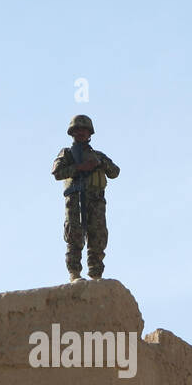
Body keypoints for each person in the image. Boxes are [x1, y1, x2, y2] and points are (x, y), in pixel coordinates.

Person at [51, 114, 119, 283]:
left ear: (90, 133)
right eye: (77, 130)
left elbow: (115, 172)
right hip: (75, 199)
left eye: (84, 130)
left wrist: (99, 163)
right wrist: (80, 167)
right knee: (75, 235)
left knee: (98, 236)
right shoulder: (67, 154)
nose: (81, 133)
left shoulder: (98, 155)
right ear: (72, 133)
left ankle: (95, 274)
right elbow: (57, 172)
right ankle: (74, 274)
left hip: (96, 201)